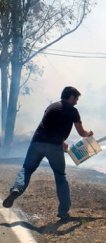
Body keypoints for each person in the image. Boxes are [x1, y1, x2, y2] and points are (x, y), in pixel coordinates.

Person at [2, 86, 93, 220]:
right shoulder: (73, 111)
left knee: (26, 169)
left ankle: (17, 189)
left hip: (37, 143)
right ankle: (63, 211)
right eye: (76, 99)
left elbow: (49, 127)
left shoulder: (51, 107)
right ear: (71, 97)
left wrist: (62, 142)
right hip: (54, 147)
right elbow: (81, 132)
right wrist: (88, 134)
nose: (77, 102)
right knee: (60, 176)